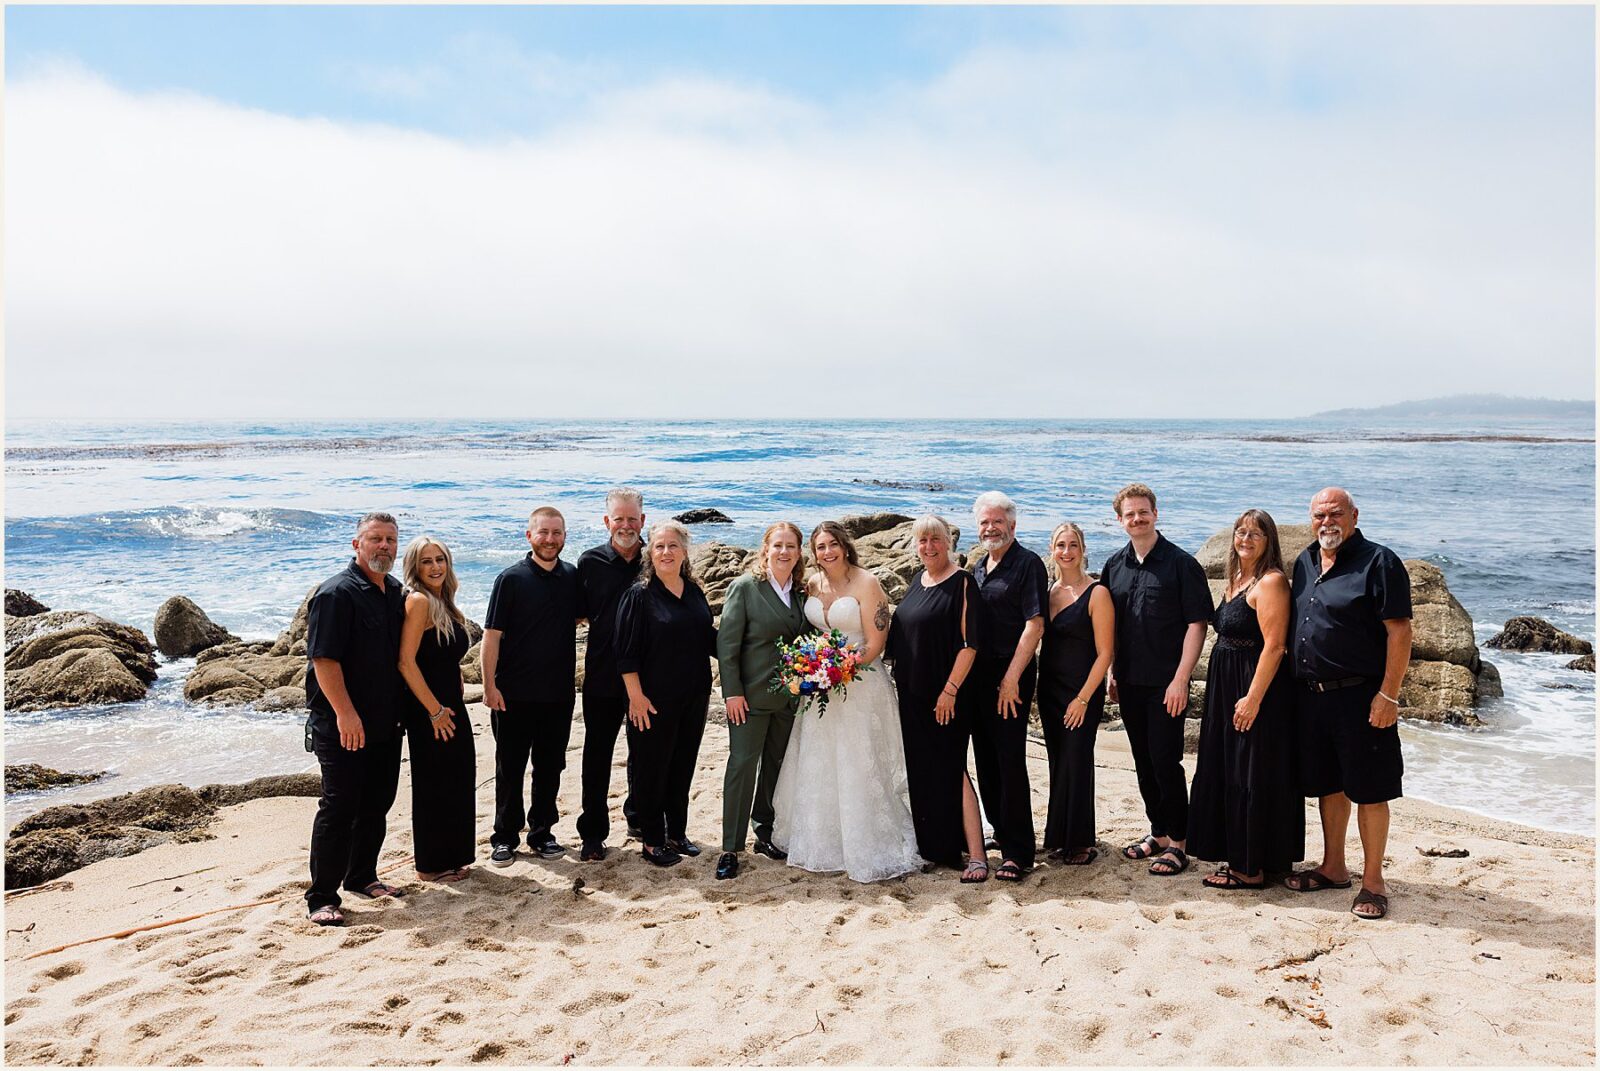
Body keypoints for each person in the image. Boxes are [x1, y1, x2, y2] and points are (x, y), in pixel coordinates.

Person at [1283, 488, 1412, 921]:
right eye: (1319, 515)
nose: (1327, 522)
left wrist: (1389, 694)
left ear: (1354, 515)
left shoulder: (1380, 562)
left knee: (1371, 790)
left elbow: (1400, 632)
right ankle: (1334, 866)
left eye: (1335, 513)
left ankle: (1373, 881)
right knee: (1329, 786)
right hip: (1312, 697)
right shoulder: (1304, 561)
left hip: (1363, 697)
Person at [769, 521, 923, 883]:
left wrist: (842, 670)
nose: (827, 553)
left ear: (845, 547)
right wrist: (813, 671)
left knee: (859, 761)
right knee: (822, 761)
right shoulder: (812, 584)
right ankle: (824, 841)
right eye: (820, 547)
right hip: (822, 689)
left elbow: (876, 641)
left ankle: (867, 841)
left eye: (832, 545)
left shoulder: (867, 583)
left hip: (862, 685)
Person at [1185, 510, 1304, 889]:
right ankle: (1247, 856)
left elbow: (1275, 646)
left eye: (1256, 533)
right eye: (1241, 532)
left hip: (1255, 688)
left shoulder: (1270, 582)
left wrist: (1252, 698)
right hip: (1227, 684)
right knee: (1230, 768)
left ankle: (1250, 869)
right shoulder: (1237, 578)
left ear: (1270, 541)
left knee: (1251, 771)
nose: (1246, 539)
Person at [1100, 482, 1213, 877]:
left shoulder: (1181, 564)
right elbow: (1111, 627)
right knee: (1143, 763)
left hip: (1168, 684)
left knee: (1167, 762)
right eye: (1129, 514)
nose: (1137, 519)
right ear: (1120, 520)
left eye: (1143, 512)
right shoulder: (1114, 566)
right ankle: (1159, 834)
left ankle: (1179, 843)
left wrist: (1181, 679)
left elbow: (1197, 625)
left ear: (1155, 513)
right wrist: (1112, 672)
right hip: (1129, 682)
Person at [303, 512, 407, 926]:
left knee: (377, 803)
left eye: (390, 540)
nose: (384, 546)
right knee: (339, 806)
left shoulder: (394, 591)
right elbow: (323, 660)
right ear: (357, 544)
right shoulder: (335, 594)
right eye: (375, 539)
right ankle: (321, 896)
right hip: (341, 723)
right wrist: (346, 715)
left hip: (385, 722)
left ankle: (362, 876)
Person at [884, 515, 991, 882]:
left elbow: (969, 644)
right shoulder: (918, 581)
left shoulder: (963, 584)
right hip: (911, 694)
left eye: (935, 540)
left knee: (952, 768)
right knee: (923, 771)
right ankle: (938, 847)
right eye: (922, 541)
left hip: (945, 695)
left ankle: (976, 854)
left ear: (948, 542)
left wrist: (950, 691)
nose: (928, 547)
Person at [482, 507, 582, 866]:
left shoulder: (571, 576)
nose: (550, 539)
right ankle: (505, 837)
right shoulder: (510, 579)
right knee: (510, 768)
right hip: (512, 695)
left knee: (550, 767)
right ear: (529, 536)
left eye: (557, 533)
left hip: (558, 694)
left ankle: (542, 833)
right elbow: (491, 637)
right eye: (543, 532)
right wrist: (488, 686)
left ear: (564, 537)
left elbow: (587, 614)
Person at [615, 520, 718, 867]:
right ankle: (653, 841)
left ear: (685, 552)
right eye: (659, 546)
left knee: (682, 766)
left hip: (694, 695)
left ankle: (677, 833)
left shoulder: (693, 591)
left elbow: (711, 640)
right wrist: (635, 696)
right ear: (650, 553)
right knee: (651, 769)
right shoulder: (639, 595)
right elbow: (625, 653)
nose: (666, 552)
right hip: (653, 700)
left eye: (673, 546)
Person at [714, 522, 809, 880]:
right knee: (741, 767)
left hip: (789, 697)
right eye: (778, 545)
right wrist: (732, 692)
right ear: (765, 549)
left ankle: (764, 832)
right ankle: (729, 847)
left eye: (791, 546)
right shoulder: (746, 588)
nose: (784, 552)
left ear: (799, 553)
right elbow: (727, 646)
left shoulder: (800, 592)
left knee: (776, 765)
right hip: (749, 698)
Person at [969, 492, 1048, 881]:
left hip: (1010, 674)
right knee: (984, 757)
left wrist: (1012, 678)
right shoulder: (979, 566)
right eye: (984, 522)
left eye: (997, 522)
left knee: (1009, 760)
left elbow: (1035, 624)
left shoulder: (1028, 564)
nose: (990, 528)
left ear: (1012, 526)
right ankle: (1000, 829)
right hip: (978, 676)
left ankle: (1019, 850)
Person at [397, 535, 477, 883]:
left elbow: (438, 651)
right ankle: (429, 866)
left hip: (450, 703)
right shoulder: (418, 602)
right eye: (427, 561)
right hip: (430, 710)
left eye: (440, 559)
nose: (435, 567)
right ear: (415, 567)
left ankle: (451, 856)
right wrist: (434, 711)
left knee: (456, 779)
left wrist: (455, 673)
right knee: (434, 785)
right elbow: (405, 662)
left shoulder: (442, 601)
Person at [575, 488, 646, 861]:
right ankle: (593, 834)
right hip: (601, 675)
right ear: (607, 522)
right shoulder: (589, 563)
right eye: (619, 519)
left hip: (647, 679)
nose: (626, 525)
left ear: (643, 521)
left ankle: (638, 818)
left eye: (632, 519)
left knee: (644, 752)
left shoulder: (656, 560)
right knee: (597, 754)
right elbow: (573, 614)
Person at [1037, 522, 1114, 866]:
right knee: (1058, 762)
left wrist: (1084, 698)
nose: (1066, 552)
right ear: (1052, 550)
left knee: (1077, 759)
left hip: (1081, 690)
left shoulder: (1097, 593)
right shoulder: (1048, 591)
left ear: (1083, 550)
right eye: (1060, 546)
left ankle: (1081, 840)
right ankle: (1060, 837)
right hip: (1050, 689)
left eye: (1073, 545)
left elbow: (1105, 653)